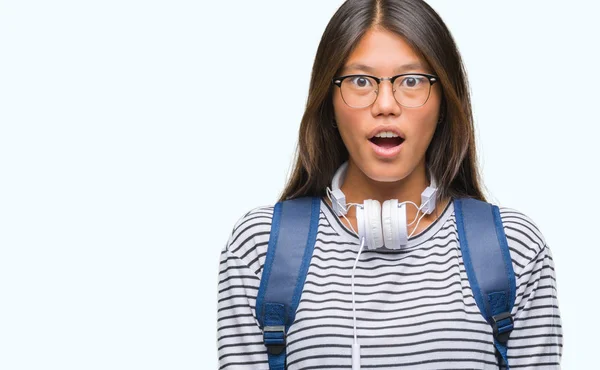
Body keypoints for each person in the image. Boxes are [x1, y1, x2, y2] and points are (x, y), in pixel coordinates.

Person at [216, 0, 563, 368]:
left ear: (444, 100)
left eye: (411, 81)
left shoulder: (516, 249)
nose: (385, 104)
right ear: (329, 101)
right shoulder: (258, 248)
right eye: (360, 81)